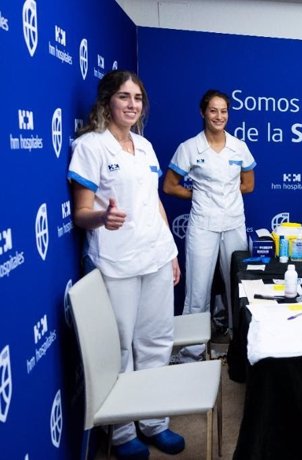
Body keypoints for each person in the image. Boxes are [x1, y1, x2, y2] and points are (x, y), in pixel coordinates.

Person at [68, 70, 185, 459]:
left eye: (137, 98)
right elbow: (82, 213)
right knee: (119, 347)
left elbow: (154, 204)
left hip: (153, 256)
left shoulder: (146, 147)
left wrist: (169, 251)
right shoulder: (91, 146)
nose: (132, 104)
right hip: (115, 263)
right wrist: (103, 218)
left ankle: (155, 423)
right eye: (124, 97)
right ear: (107, 102)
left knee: (156, 342)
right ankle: (122, 431)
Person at [163, 89, 256, 362]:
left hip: (234, 223)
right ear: (203, 112)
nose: (219, 116)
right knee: (197, 290)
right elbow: (169, 185)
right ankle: (190, 353)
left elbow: (248, 185)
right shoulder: (190, 147)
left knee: (238, 287)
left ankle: (240, 345)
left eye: (224, 111)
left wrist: (224, 196)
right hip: (203, 224)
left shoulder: (238, 146)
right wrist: (199, 194)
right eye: (213, 110)